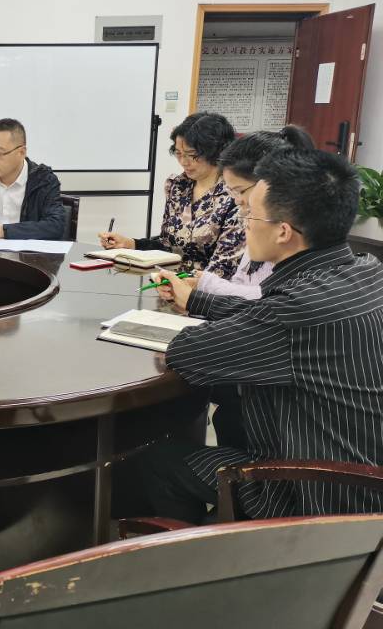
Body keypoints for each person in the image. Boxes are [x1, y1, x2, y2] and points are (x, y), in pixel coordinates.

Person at [116, 145, 383, 523]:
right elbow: (269, 319)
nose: (244, 223)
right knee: (230, 417)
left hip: (315, 496)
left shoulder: (292, 310)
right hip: (365, 478)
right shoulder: (366, 271)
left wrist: (201, 311)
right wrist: (200, 301)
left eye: (249, 214)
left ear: (284, 232)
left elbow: (187, 352)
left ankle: (202, 552)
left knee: (159, 459)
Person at [153, 126, 315, 450]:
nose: (239, 205)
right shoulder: (355, 270)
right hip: (271, 413)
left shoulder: (292, 258)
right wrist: (200, 291)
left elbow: (268, 306)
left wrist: (200, 295)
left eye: (242, 193)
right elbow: (246, 290)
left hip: (289, 452)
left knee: (159, 454)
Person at [99, 112, 244, 278]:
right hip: (167, 282)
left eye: (192, 155)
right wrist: (130, 243)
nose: (183, 162)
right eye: (178, 153)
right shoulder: (178, 186)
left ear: (215, 152)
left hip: (206, 288)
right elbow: (168, 245)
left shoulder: (235, 195)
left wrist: (185, 284)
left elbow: (225, 266)